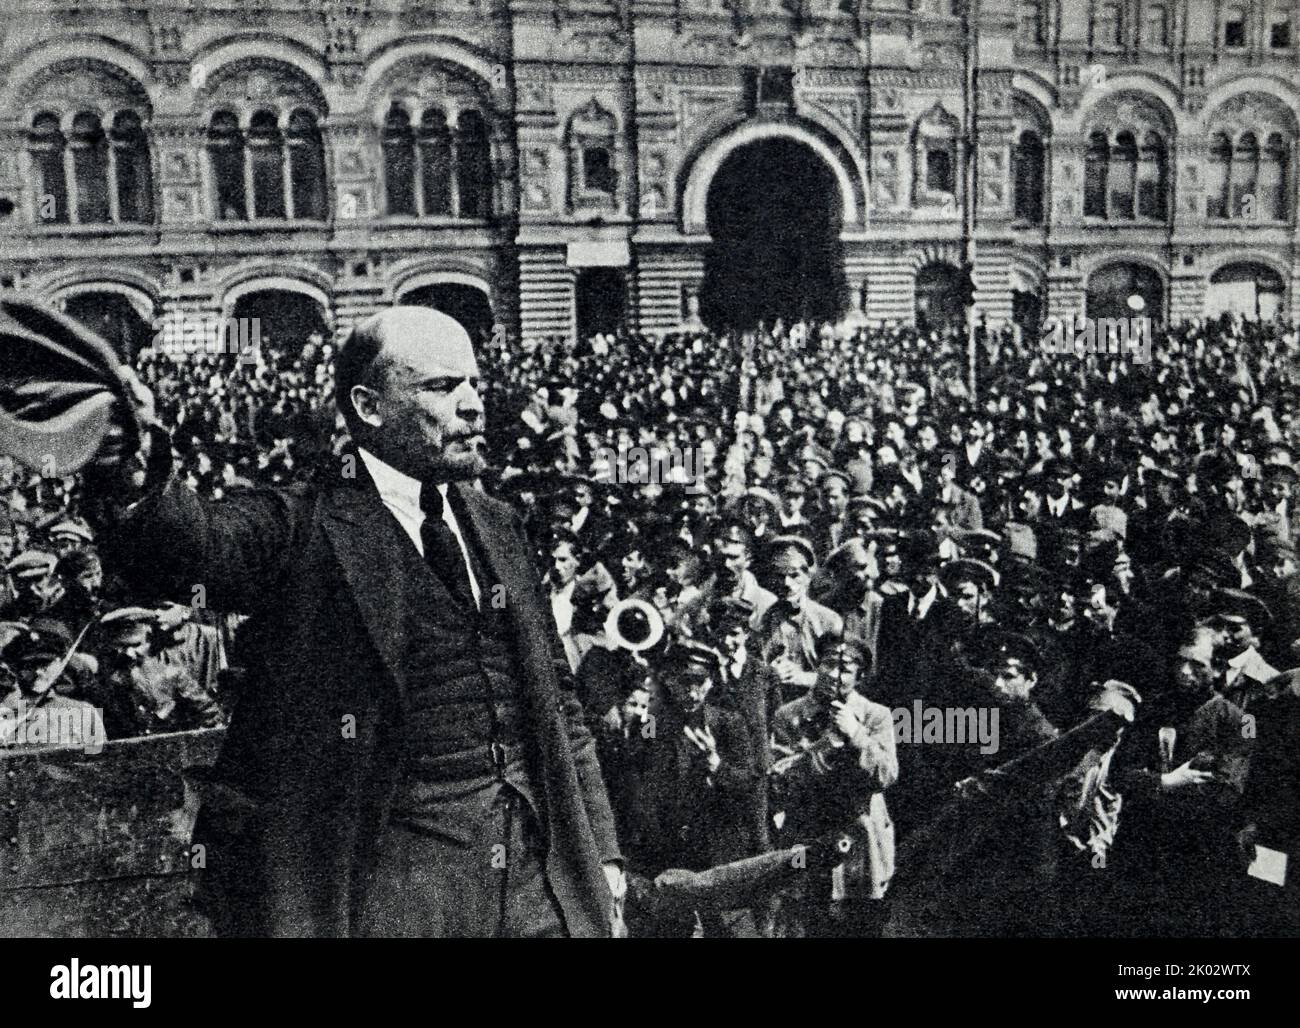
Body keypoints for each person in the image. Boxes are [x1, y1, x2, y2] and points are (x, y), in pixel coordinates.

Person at [87, 306, 624, 938]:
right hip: (392, 889)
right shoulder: (303, 526)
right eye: (442, 387)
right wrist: (129, 465)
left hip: (541, 881)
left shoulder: (499, 524)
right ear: (369, 407)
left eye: (472, 384)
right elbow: (193, 544)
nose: (474, 405)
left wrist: (605, 856)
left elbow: (561, 705)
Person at [771, 635, 897, 937]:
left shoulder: (875, 716)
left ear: (860, 676)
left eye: (844, 669)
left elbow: (886, 775)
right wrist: (825, 746)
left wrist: (857, 736)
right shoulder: (789, 715)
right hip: (806, 833)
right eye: (827, 663)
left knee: (858, 923)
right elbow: (780, 780)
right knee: (802, 919)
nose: (832, 674)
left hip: (860, 839)